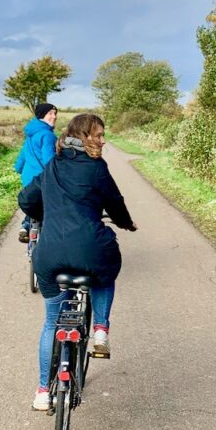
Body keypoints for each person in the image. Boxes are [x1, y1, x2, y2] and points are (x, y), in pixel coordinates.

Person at [17, 113, 137, 411]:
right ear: (85, 136)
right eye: (98, 135)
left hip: (49, 256)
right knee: (106, 270)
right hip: (90, 250)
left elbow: (27, 199)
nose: (103, 140)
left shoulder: (53, 165)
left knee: (50, 323)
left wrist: (48, 214)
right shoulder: (97, 168)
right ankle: (100, 329)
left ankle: (43, 392)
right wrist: (126, 223)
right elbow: (115, 202)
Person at [14, 103, 58, 242]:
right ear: (42, 115)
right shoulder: (47, 135)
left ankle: (26, 225)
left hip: (27, 178)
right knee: (47, 207)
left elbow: (23, 155)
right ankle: (47, 238)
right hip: (42, 179)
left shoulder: (31, 133)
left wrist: (18, 168)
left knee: (34, 203)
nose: (54, 116)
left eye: (55, 113)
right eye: (50, 113)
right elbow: (49, 160)